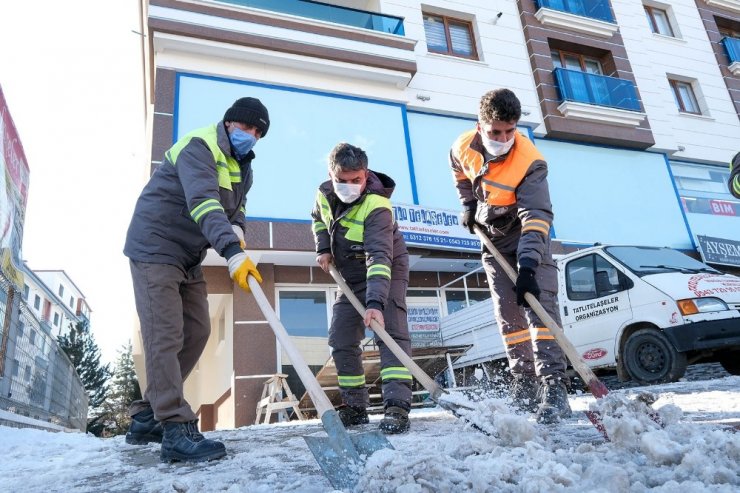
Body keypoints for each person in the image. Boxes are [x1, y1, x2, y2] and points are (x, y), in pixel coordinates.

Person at [123, 97, 269, 461]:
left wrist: (238, 228)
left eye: (257, 132)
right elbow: (204, 203)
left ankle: (145, 416)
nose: (250, 136)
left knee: (199, 330)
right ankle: (174, 429)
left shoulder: (243, 167)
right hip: (156, 246)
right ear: (230, 122)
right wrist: (232, 252)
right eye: (246, 127)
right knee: (165, 334)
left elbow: (237, 208)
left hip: (188, 255)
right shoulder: (198, 146)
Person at [448, 88, 571, 424]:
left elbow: (537, 215)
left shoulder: (530, 161)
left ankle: (554, 386)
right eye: (495, 132)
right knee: (508, 315)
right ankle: (525, 383)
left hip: (527, 234)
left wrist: (529, 264)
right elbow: (461, 173)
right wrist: (468, 205)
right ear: (479, 125)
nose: (503, 138)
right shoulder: (462, 145)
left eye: (509, 131)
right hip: (493, 237)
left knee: (539, 309)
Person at [311, 143, 413, 434]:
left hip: (386, 270)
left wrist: (376, 304)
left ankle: (396, 406)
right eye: (342, 181)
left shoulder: (377, 206)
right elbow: (318, 219)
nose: (349, 186)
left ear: (365, 175)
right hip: (349, 274)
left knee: (389, 332)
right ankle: (355, 407)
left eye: (356, 180)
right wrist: (323, 248)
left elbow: (379, 257)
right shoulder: (324, 194)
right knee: (341, 337)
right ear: (331, 174)